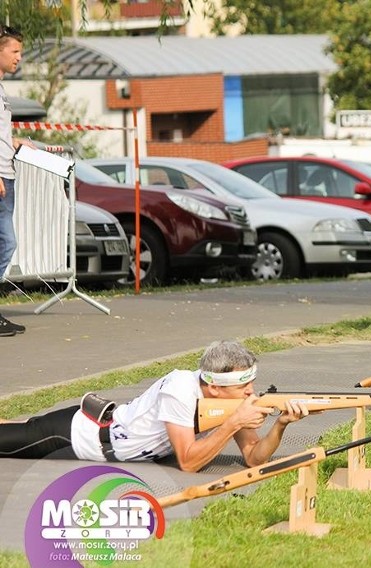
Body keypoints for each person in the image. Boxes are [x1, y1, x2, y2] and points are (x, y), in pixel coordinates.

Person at [0, 340, 309, 472]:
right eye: (243, 386)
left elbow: (254, 459)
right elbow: (188, 463)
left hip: (103, 446)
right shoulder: (180, 390)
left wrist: (280, 425)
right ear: (214, 386)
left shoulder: (231, 403)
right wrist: (233, 424)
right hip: (79, 434)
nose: (250, 392)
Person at [0, 24, 34, 337]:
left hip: (6, 175)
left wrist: (17, 143)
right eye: (14, 51)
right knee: (7, 242)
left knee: (5, 243)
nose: (18, 58)